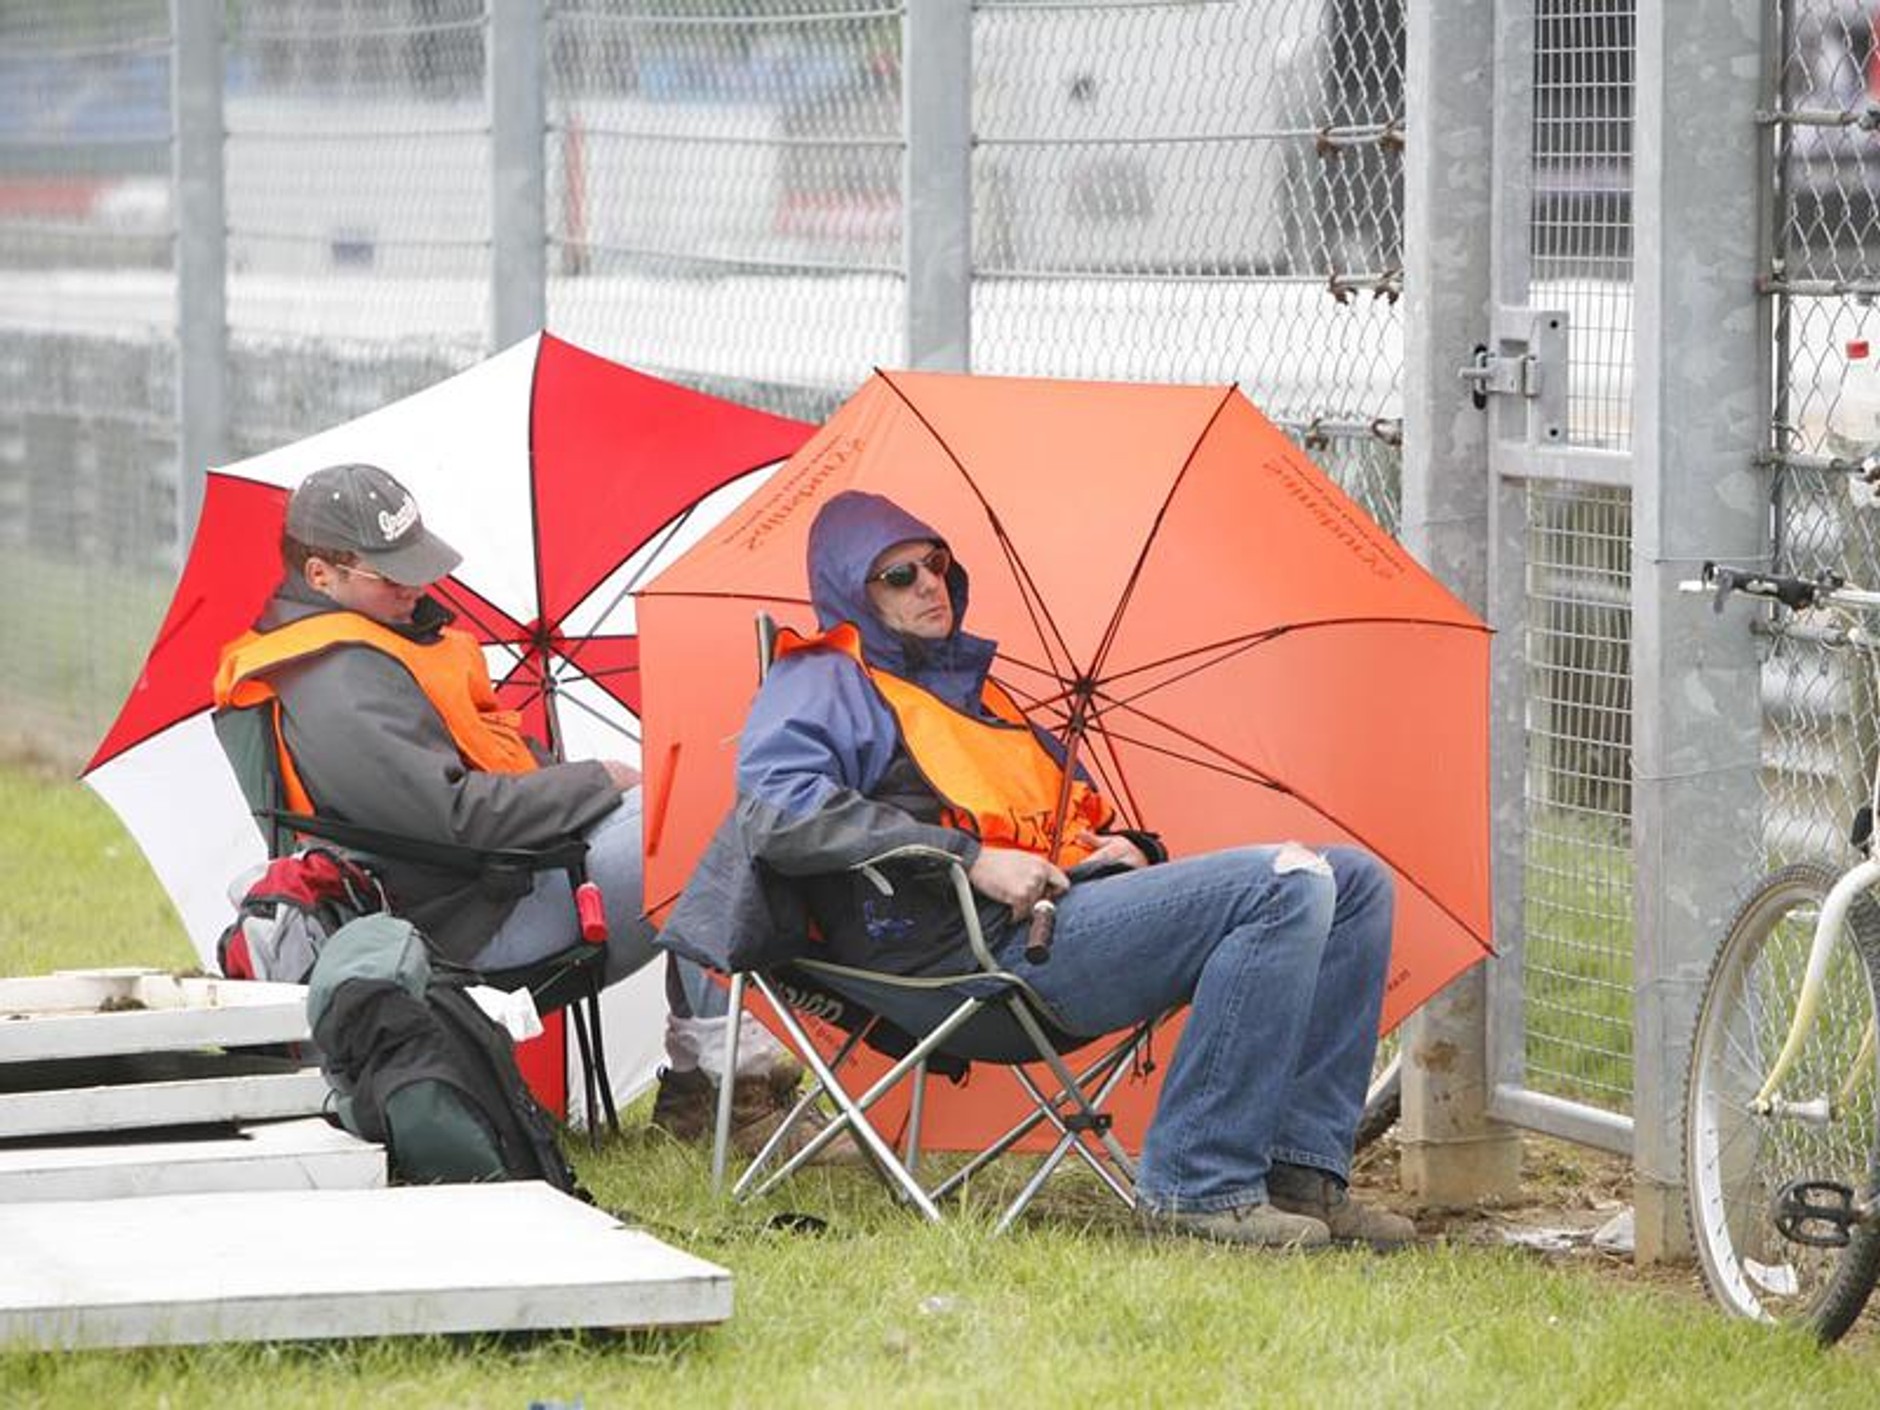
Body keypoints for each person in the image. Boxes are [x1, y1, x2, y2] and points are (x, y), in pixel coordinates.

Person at [661, 489, 1413, 1249]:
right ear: (852, 593)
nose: (927, 583)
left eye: (935, 564)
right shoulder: (825, 680)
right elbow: (777, 812)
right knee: (1284, 882)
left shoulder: (980, 696)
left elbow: (1069, 817)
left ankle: (1302, 1174)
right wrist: (973, 859)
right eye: (897, 575)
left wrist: (1130, 850)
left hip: (1059, 920)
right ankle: (1198, 1181)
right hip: (961, 959)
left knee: (1351, 880)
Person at [210, 462, 815, 1153]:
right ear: (322, 576)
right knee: (694, 824)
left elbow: (474, 782)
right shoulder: (335, 677)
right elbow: (455, 817)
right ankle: (722, 1094)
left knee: (687, 804)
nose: (416, 584)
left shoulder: (370, 649)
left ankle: (711, 1089)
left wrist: (568, 778)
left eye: (415, 561)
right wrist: (592, 782)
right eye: (390, 573)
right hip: (460, 930)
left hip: (484, 890)